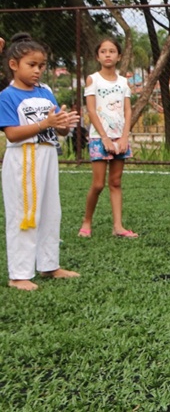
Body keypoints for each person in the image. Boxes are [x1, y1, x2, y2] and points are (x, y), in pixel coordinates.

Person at [0, 33, 81, 290]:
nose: (37, 71)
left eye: (41, 65)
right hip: (23, 158)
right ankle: (19, 274)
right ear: (14, 65)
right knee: (24, 214)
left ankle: (49, 265)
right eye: (31, 65)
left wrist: (64, 124)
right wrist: (45, 123)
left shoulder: (45, 92)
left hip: (47, 155)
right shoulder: (7, 96)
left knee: (50, 212)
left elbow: (58, 128)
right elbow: (12, 133)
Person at [79, 37, 137, 239]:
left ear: (119, 56)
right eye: (103, 51)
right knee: (98, 184)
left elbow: (128, 111)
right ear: (98, 56)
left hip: (119, 137)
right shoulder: (92, 79)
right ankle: (87, 222)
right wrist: (104, 137)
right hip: (99, 138)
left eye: (112, 51)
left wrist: (123, 138)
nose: (108, 55)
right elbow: (91, 110)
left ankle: (118, 227)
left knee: (115, 182)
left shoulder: (123, 82)